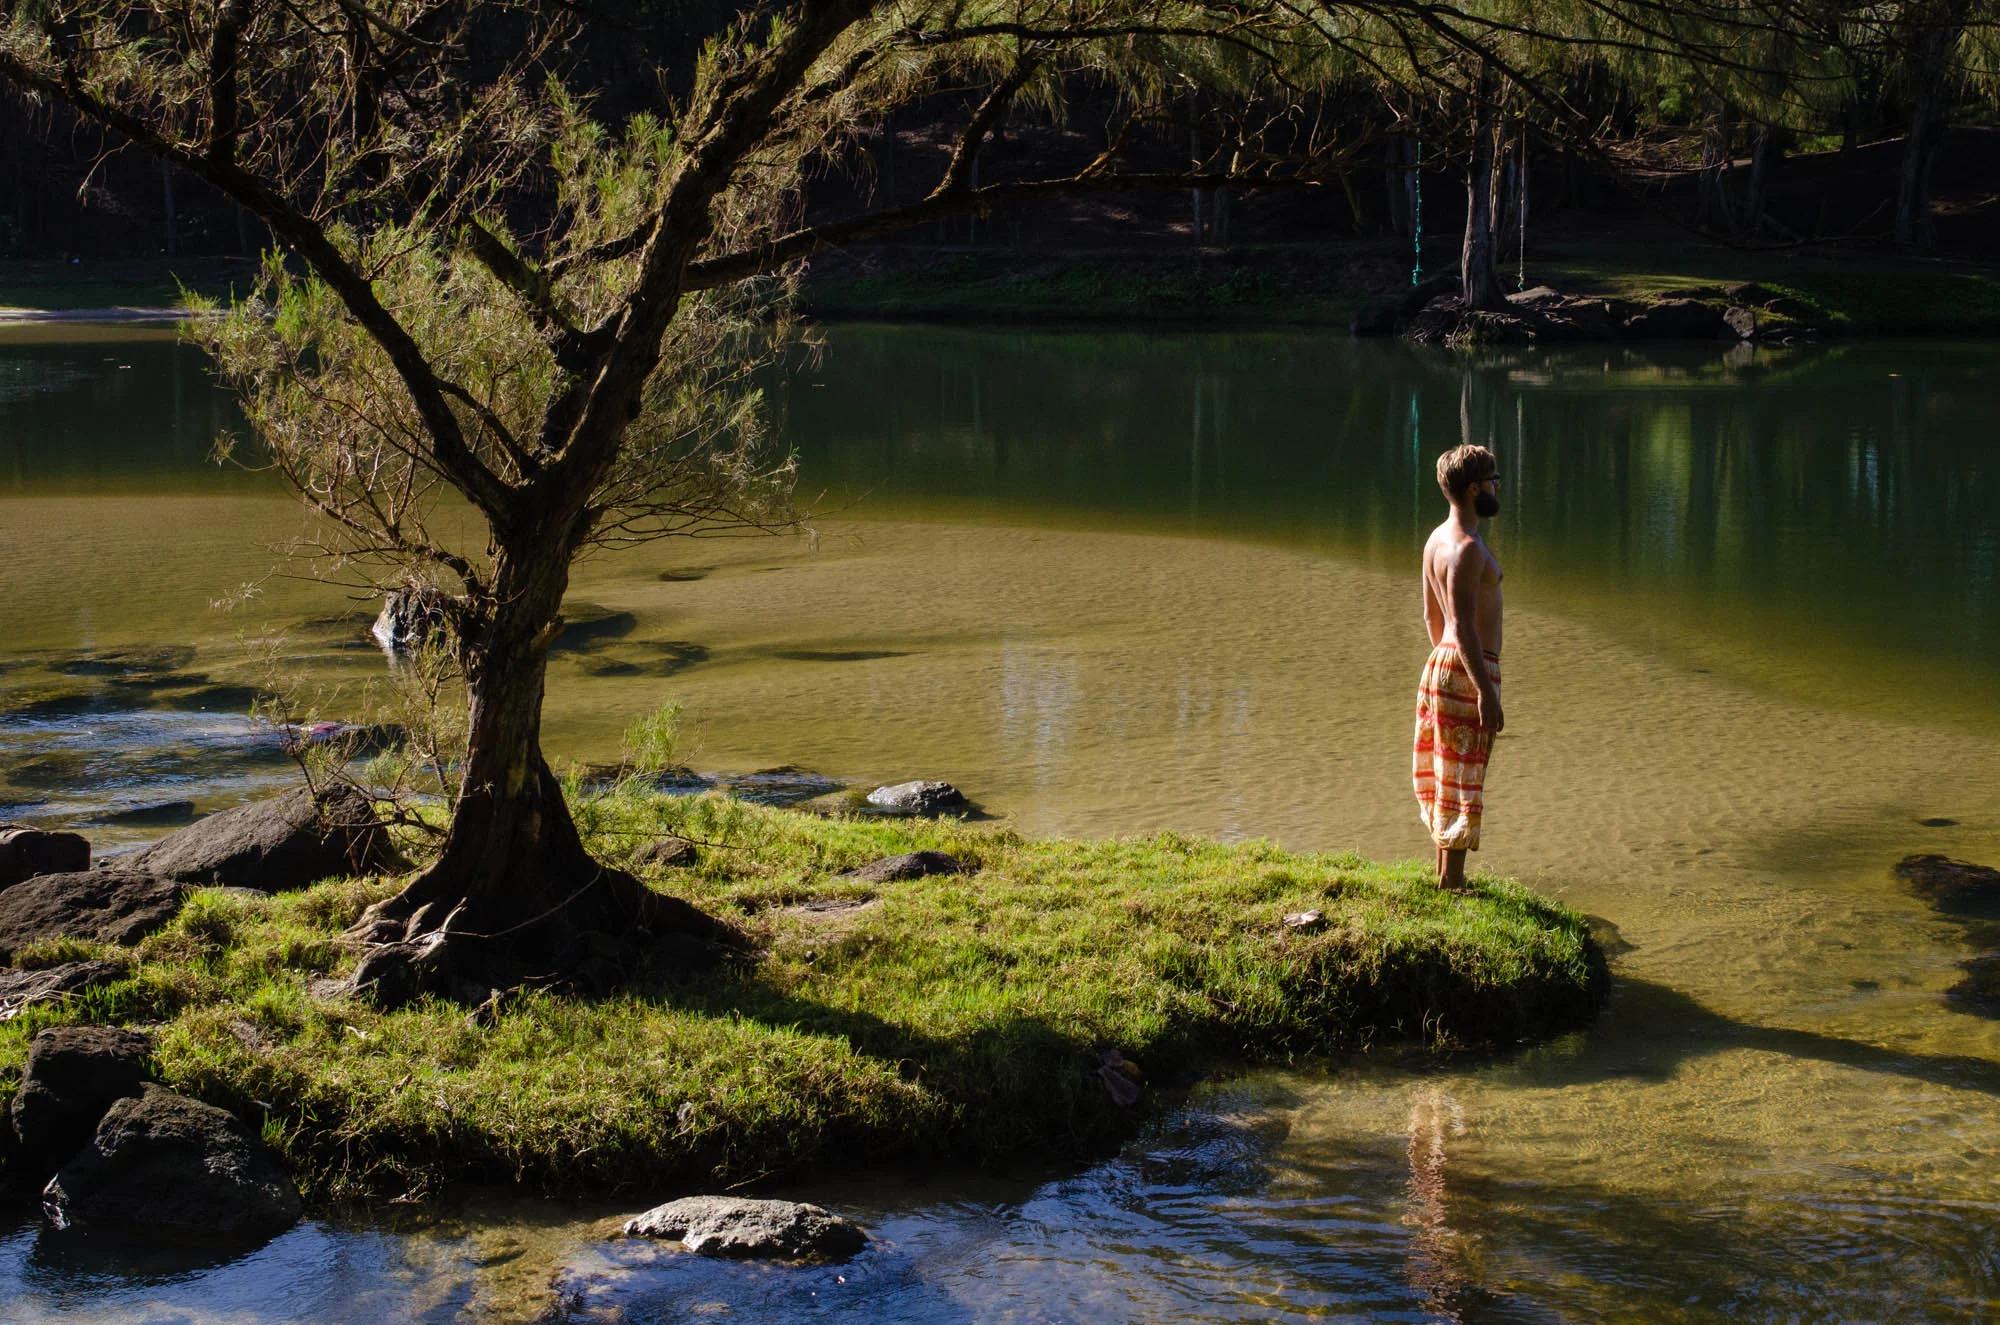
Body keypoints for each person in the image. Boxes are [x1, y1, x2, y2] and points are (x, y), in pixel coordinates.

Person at [1413, 443, 1504, 891]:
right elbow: (1464, 623)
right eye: (1491, 480)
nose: (1496, 486)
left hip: (1441, 662)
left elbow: (1433, 617)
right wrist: (1483, 689)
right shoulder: (1466, 548)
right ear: (1473, 489)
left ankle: (1444, 878)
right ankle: (1454, 885)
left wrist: (1444, 668)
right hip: (1470, 666)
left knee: (1448, 771)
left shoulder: (1435, 540)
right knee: (1465, 774)